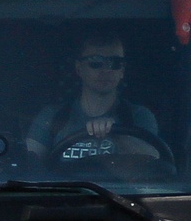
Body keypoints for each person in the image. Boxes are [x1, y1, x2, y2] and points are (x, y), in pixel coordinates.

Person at [25, 33, 167, 178]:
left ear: (122, 71)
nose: (106, 70)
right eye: (96, 62)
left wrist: (116, 134)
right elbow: (29, 165)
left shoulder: (139, 116)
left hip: (121, 197)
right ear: (79, 68)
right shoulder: (52, 116)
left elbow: (154, 161)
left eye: (115, 63)